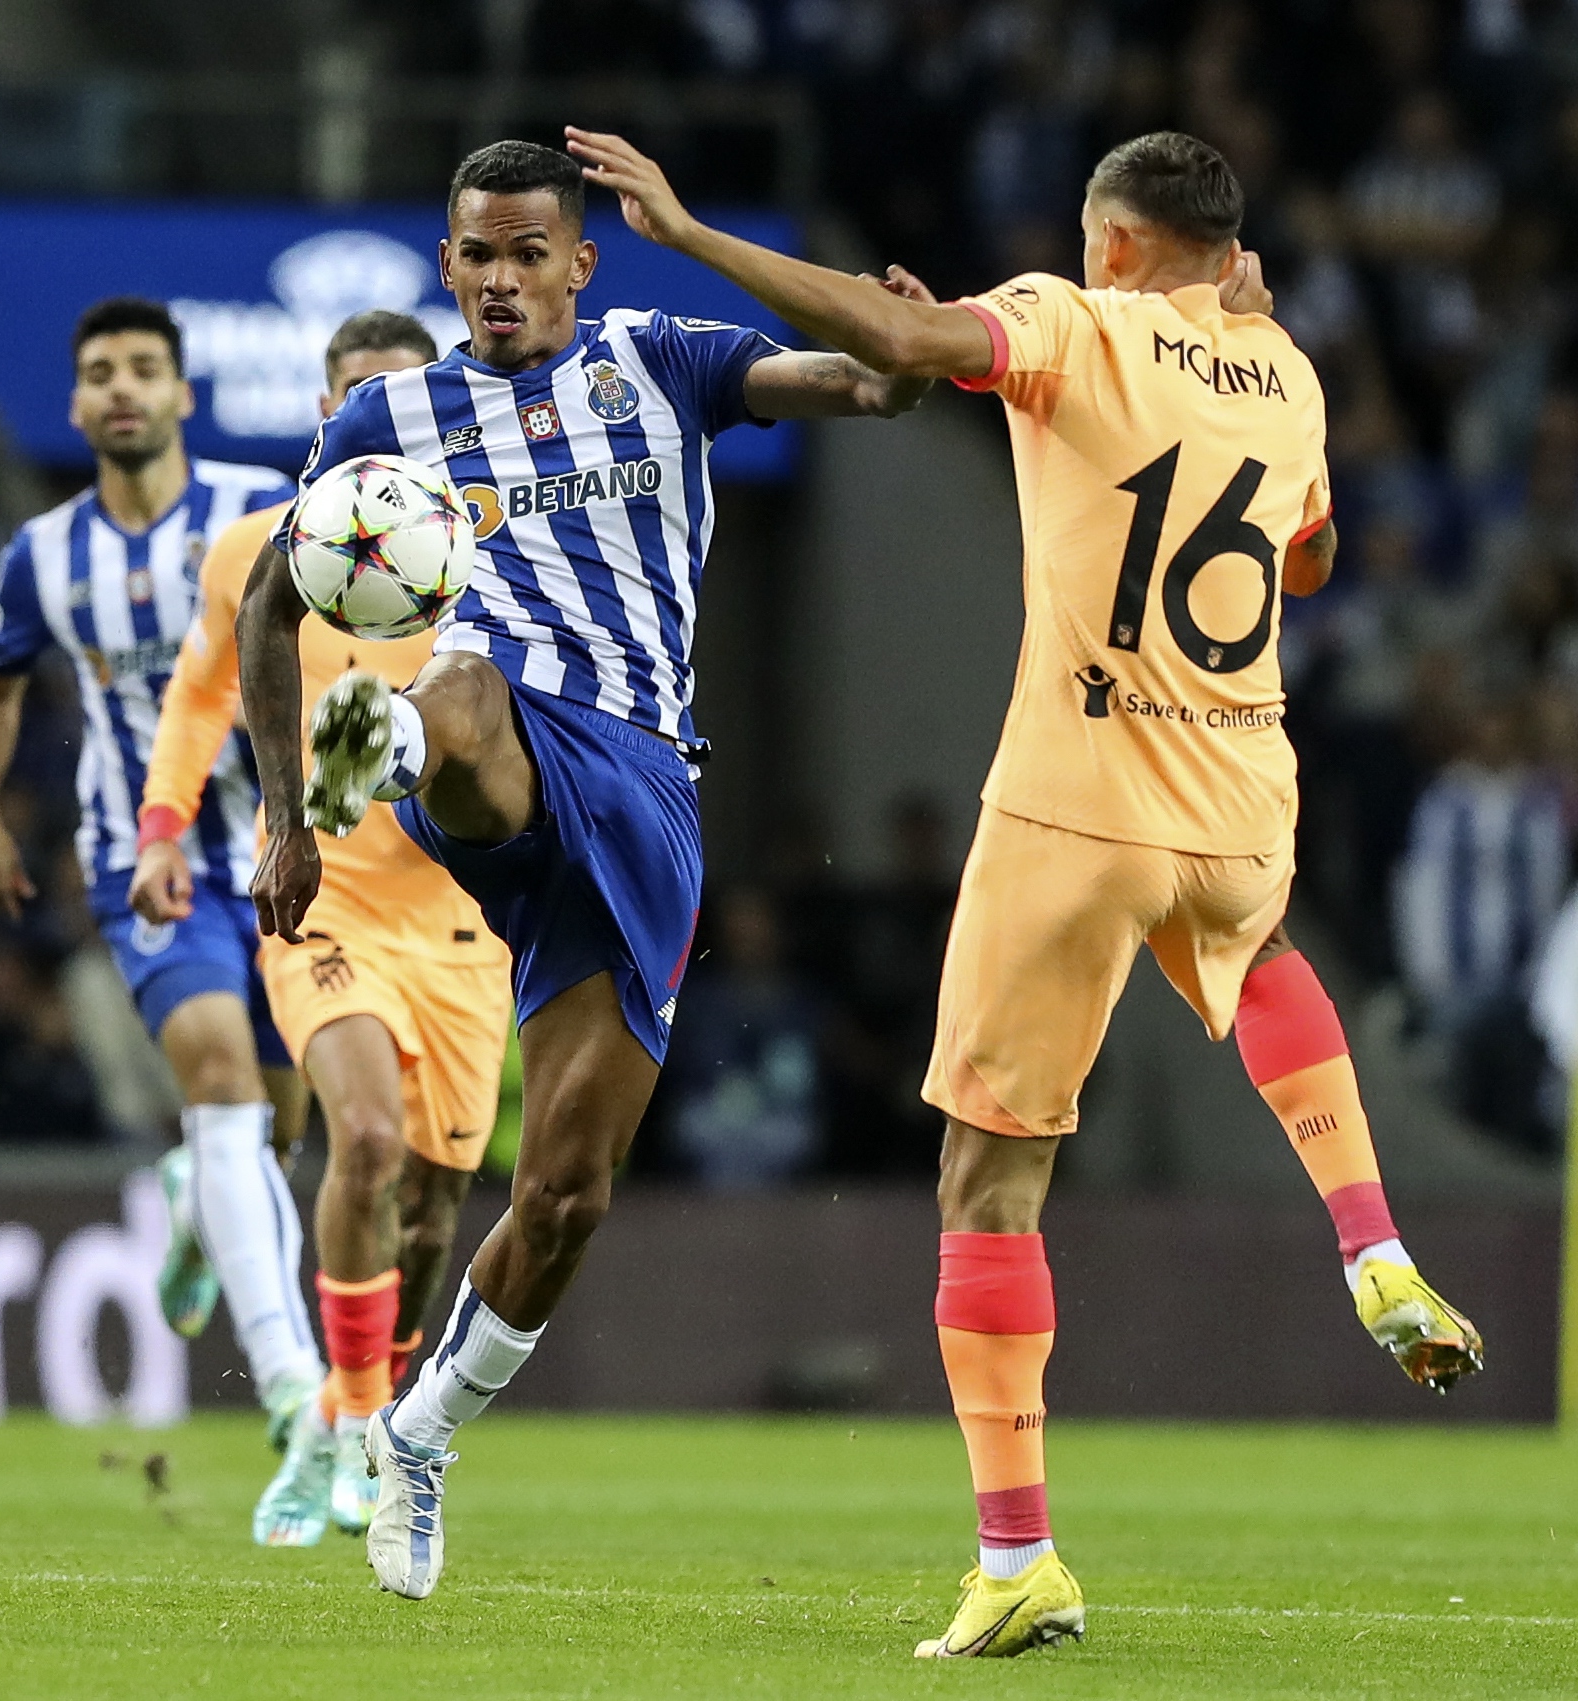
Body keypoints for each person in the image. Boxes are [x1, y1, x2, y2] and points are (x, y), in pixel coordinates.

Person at [573, 125, 1486, 1657]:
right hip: (1242, 784)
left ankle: (1018, 1558)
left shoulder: (1074, 322)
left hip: (1077, 795)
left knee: (988, 1185)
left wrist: (690, 233)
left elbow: (898, 338)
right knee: (1256, 954)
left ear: (1114, 242)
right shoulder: (1294, 372)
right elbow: (1309, 561)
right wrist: (1244, 332)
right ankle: (1370, 1236)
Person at [237, 140, 929, 1601]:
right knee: (471, 694)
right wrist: (288, 811)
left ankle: (421, 1439)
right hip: (494, 743)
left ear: (579, 263)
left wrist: (893, 344)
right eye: (476, 255)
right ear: (447, 266)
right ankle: (385, 740)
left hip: (643, 788)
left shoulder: (659, 359)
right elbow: (266, 599)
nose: (500, 280)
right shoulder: (390, 414)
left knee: (564, 1196)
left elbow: (867, 388)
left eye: (527, 253)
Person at [137, 310, 513, 1548]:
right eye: (359, 398)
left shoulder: (500, 552)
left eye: (406, 399)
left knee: (427, 1214)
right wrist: (163, 827)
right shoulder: (257, 551)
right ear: (326, 414)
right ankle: (352, 1430)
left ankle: (366, 1411)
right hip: (323, 901)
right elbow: (199, 695)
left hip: (465, 924)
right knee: (359, 1139)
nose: (382, 421)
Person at [0, 297, 321, 1448]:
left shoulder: (254, 518)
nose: (121, 387)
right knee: (216, 1073)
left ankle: (195, 1205)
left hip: (279, 858)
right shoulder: (43, 557)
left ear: (180, 395)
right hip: (140, 861)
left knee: (279, 1129)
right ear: (74, 403)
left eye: (144, 369)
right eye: (100, 369)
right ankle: (289, 1386)